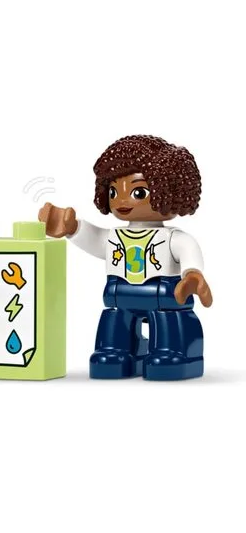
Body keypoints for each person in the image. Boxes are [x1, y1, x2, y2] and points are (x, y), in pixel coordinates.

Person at [40, 134, 211, 380]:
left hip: (164, 296)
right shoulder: (115, 236)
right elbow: (96, 241)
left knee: (169, 322)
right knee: (114, 320)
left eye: (138, 192)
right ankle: (115, 350)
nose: (121, 200)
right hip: (120, 296)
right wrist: (72, 228)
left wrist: (192, 275)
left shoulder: (172, 237)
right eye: (113, 191)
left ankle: (175, 352)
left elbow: (188, 251)